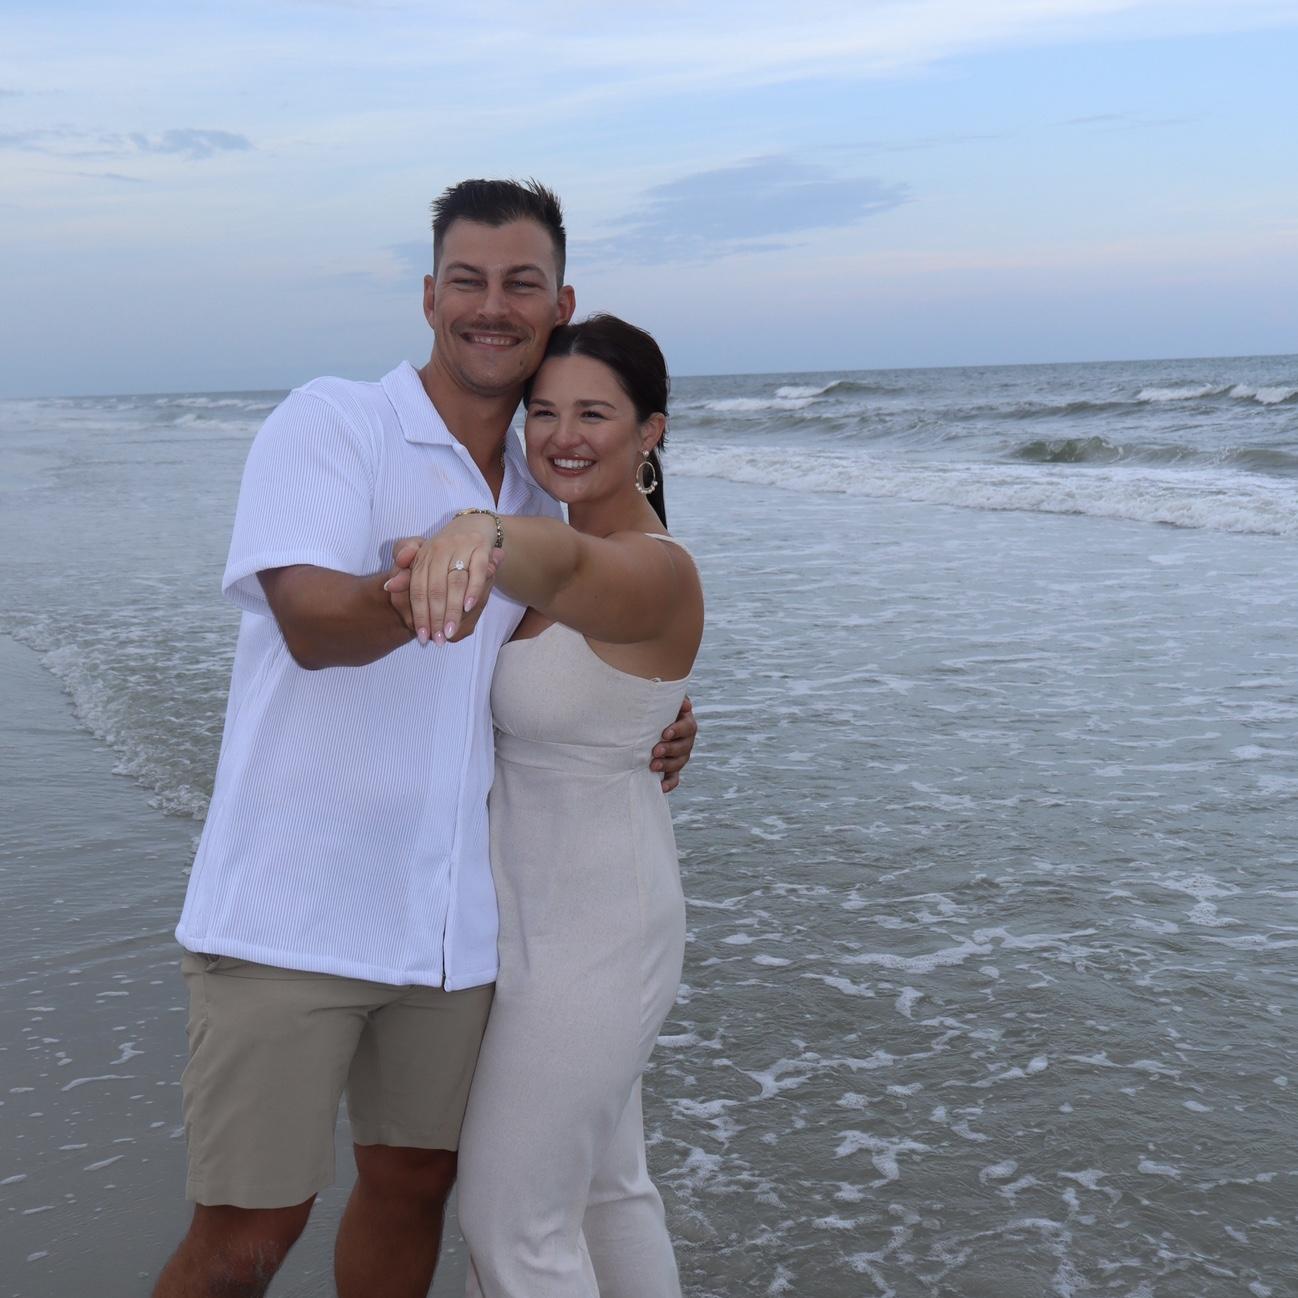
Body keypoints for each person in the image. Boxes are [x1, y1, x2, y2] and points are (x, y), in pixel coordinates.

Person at [152, 181, 697, 1298]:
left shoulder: (537, 492)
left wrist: (651, 713)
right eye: (467, 281)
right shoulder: (334, 421)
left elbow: (581, 633)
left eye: (521, 283)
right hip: (293, 909)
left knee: (411, 1189)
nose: (492, 306)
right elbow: (311, 626)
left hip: (456, 928)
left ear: (560, 303)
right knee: (248, 1234)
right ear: (428, 295)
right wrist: (433, 578)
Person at [386, 313, 700, 1296]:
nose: (563, 435)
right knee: (606, 1192)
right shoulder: (558, 543)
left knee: (509, 1220)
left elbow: (574, 573)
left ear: (649, 431)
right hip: (518, 917)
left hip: (599, 931)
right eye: (545, 412)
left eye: (594, 414)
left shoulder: (654, 565)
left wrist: (473, 529)